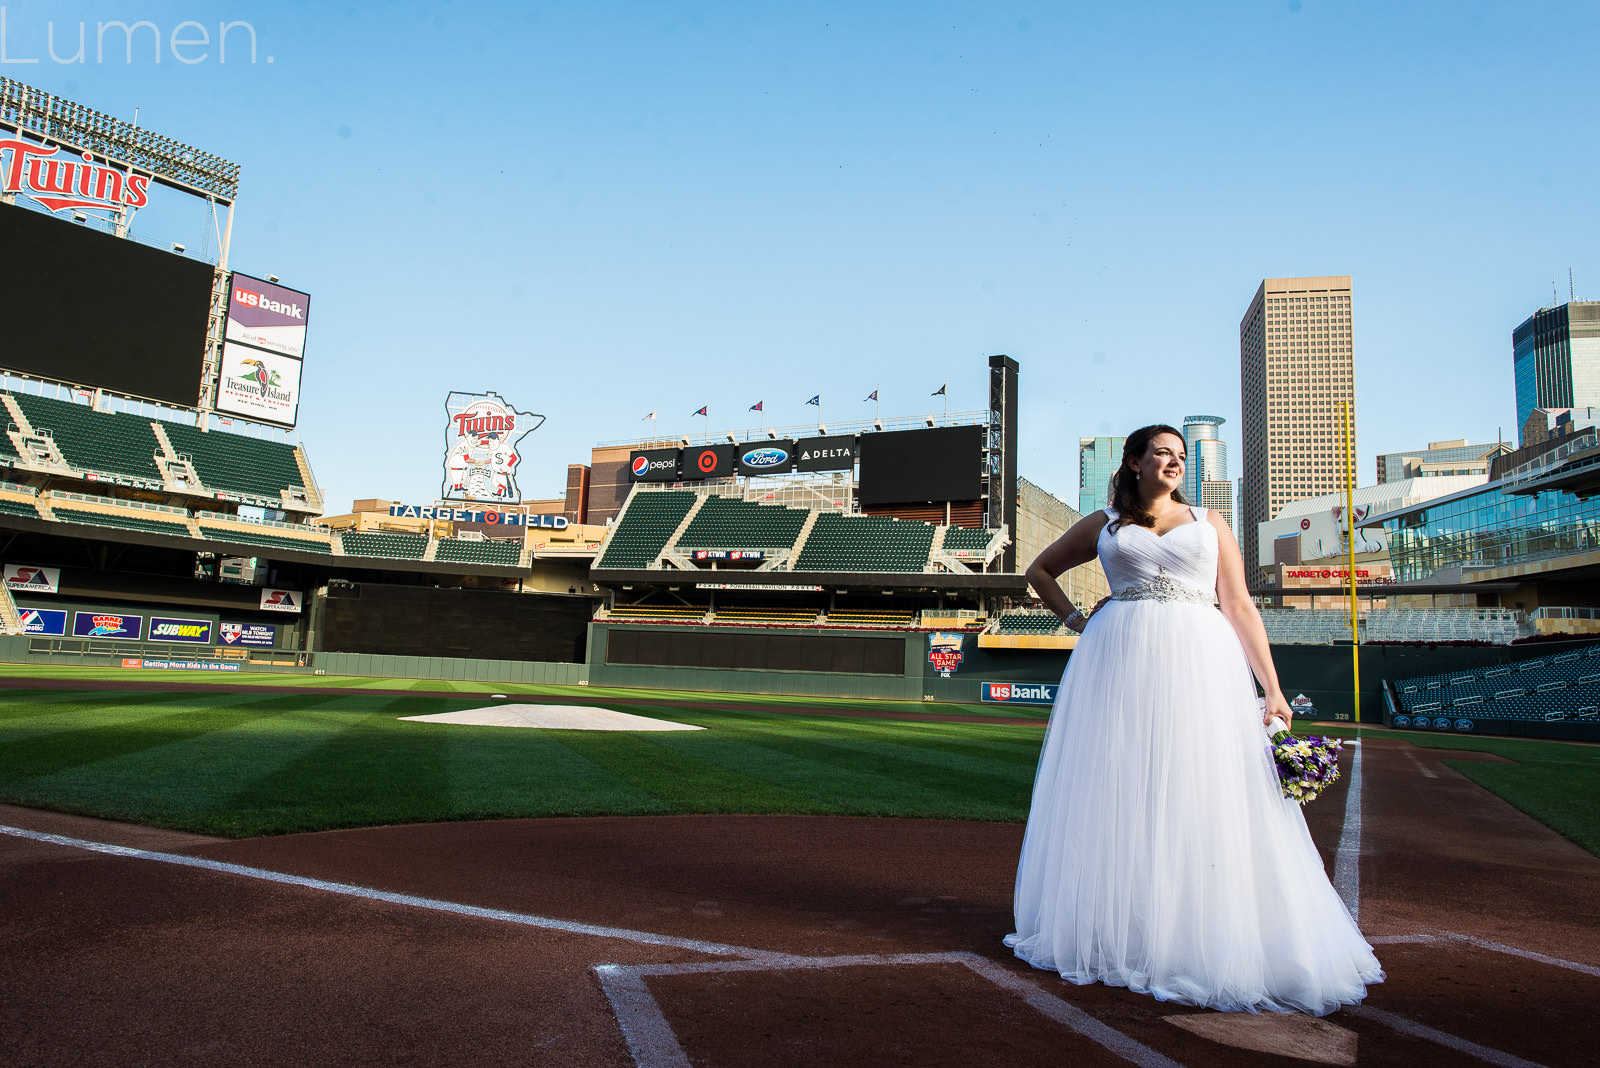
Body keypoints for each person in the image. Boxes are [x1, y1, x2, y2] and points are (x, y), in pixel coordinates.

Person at [1004, 424, 1383, 1015]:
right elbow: (1039, 572)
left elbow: (1238, 605)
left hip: (1201, 659)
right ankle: (1124, 930)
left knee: (1203, 786)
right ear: (1134, 462)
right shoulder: (1104, 522)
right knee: (1120, 784)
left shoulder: (1209, 522)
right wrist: (1078, 620)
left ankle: (1200, 932)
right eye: (1162, 453)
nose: (1174, 462)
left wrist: (1273, 690)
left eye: (1181, 455)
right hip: (1115, 655)